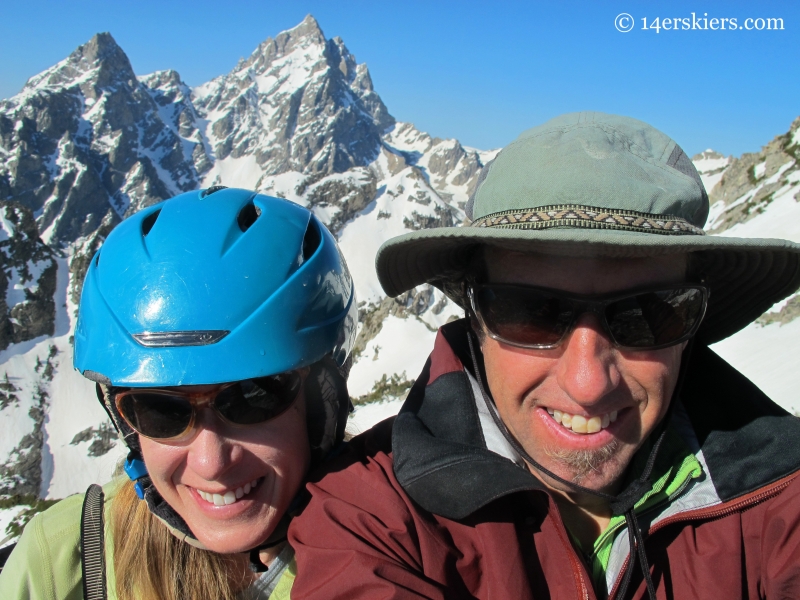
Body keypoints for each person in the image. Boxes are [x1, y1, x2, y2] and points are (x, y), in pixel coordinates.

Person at [289, 112, 800, 599]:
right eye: (529, 312)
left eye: (649, 314)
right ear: (475, 317)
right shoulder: (371, 515)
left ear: (691, 328)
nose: (588, 383)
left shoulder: (781, 494)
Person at [0, 187, 357, 599]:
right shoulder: (63, 564)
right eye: (159, 412)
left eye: (253, 397)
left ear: (322, 407)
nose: (211, 463)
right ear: (126, 425)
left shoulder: (394, 553)